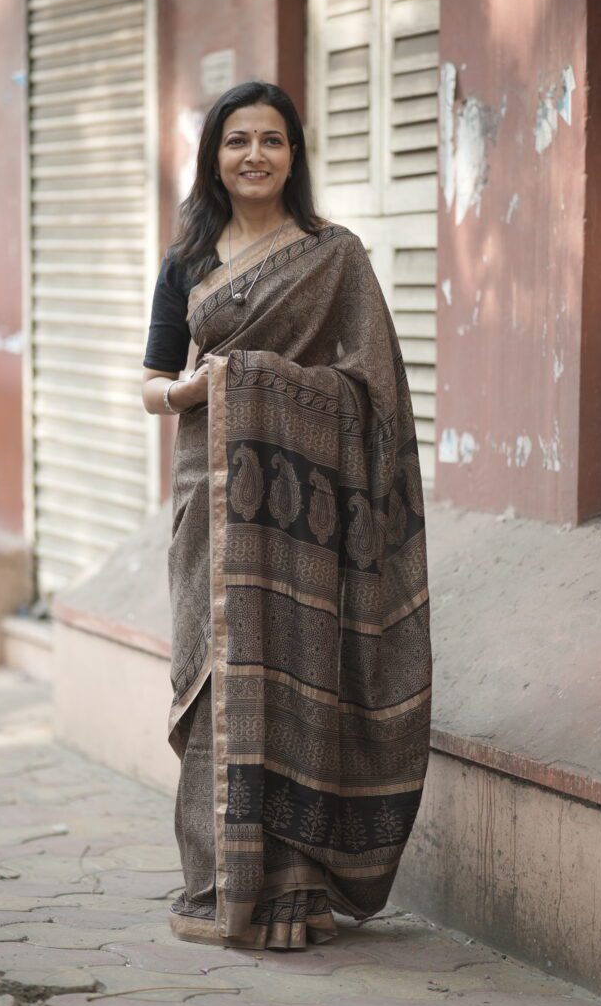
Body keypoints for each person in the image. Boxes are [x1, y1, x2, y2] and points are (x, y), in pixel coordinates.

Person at [142, 80, 432, 950]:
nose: (255, 155)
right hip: (211, 494)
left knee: (302, 669)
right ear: (215, 156)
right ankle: (218, 879)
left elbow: (375, 392)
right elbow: (153, 380)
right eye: (238, 141)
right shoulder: (188, 260)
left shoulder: (334, 258)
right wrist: (194, 389)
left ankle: (292, 888)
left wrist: (269, 385)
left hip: (306, 517)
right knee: (210, 669)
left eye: (272, 140)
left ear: (294, 155)